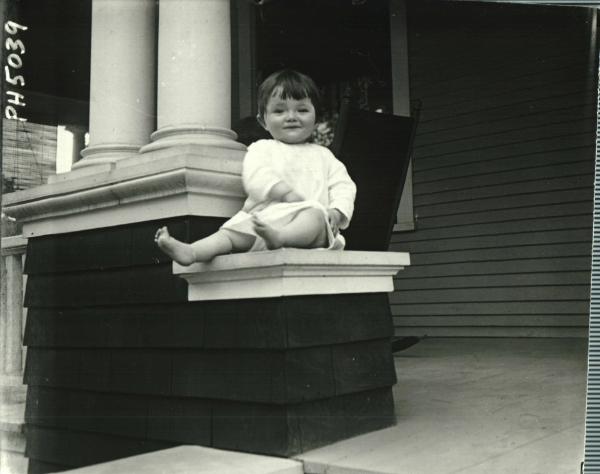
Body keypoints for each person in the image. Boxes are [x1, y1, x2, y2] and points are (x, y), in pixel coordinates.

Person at [155, 69, 357, 265]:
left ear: (316, 118)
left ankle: (281, 238)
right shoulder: (261, 149)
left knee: (314, 215)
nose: (291, 116)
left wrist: (337, 212)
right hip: (266, 222)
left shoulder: (324, 155)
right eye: (279, 111)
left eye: (302, 110)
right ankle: (193, 252)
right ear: (263, 121)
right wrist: (282, 192)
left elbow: (344, 186)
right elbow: (256, 176)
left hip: (310, 233)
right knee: (229, 234)